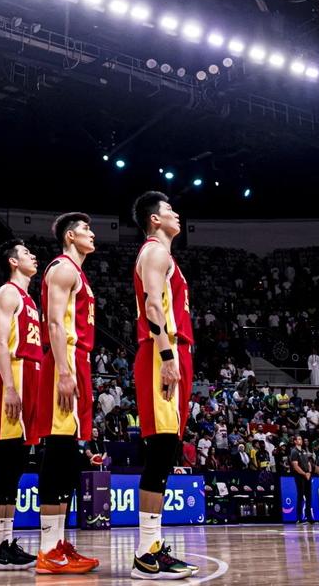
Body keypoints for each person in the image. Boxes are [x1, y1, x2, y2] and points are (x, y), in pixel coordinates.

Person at [130, 191, 195, 579]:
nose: (177, 215)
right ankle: (145, 553)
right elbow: (154, 306)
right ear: (155, 219)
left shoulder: (163, 254)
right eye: (169, 210)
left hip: (170, 350)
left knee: (167, 448)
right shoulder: (155, 252)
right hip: (161, 352)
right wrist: (167, 355)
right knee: (160, 450)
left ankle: (153, 546)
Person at [35, 213, 101, 574]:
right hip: (66, 359)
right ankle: (47, 548)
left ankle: (59, 543)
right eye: (86, 230)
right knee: (58, 451)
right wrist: (63, 369)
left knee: (69, 453)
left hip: (78, 359)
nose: (92, 234)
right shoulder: (62, 268)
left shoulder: (79, 273)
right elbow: (55, 321)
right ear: (71, 236)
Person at [0, 241, 42, 570]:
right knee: (6, 461)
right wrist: (8, 386)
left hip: (31, 375)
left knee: (18, 463)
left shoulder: (29, 299)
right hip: (16, 374)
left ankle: (6, 540)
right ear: (12, 261)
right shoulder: (8, 292)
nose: (33, 256)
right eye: (26, 252)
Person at [292, 435, 314, 524]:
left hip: (307, 476)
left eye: (301, 439)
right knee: (300, 496)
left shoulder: (304, 451)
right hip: (300, 476)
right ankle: (299, 517)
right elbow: (295, 466)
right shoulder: (294, 451)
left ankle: (309, 517)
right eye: (299, 439)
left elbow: (309, 463)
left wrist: (309, 471)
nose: (300, 440)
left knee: (309, 497)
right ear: (295, 441)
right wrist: (305, 473)